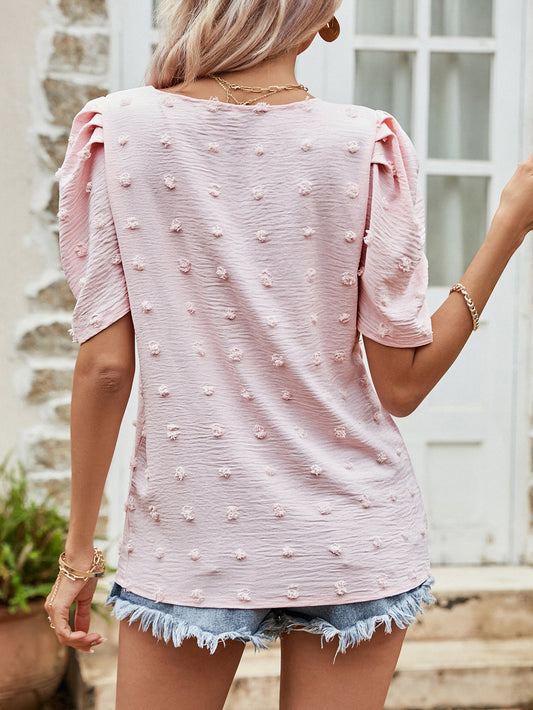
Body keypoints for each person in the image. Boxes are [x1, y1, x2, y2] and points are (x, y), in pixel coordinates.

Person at [44, 1, 533, 708]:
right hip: (352, 530)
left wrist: (78, 555)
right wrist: (509, 223)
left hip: (193, 532)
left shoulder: (116, 131)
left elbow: (106, 368)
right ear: (324, 16)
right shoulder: (366, 144)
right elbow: (403, 387)